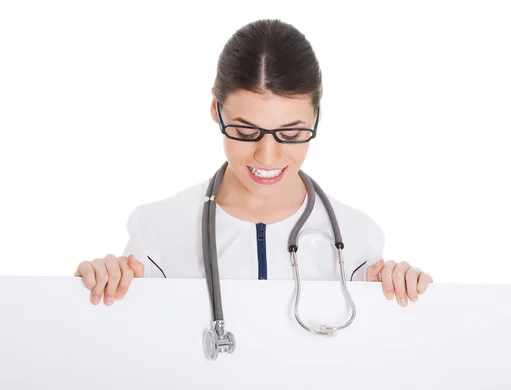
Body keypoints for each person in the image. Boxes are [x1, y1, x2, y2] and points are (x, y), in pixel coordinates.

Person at [74, 19, 433, 309]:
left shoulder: (359, 241)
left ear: (316, 118)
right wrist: (97, 288)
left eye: (291, 134)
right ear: (216, 110)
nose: (267, 155)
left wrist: (404, 298)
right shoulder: (156, 231)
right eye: (245, 130)